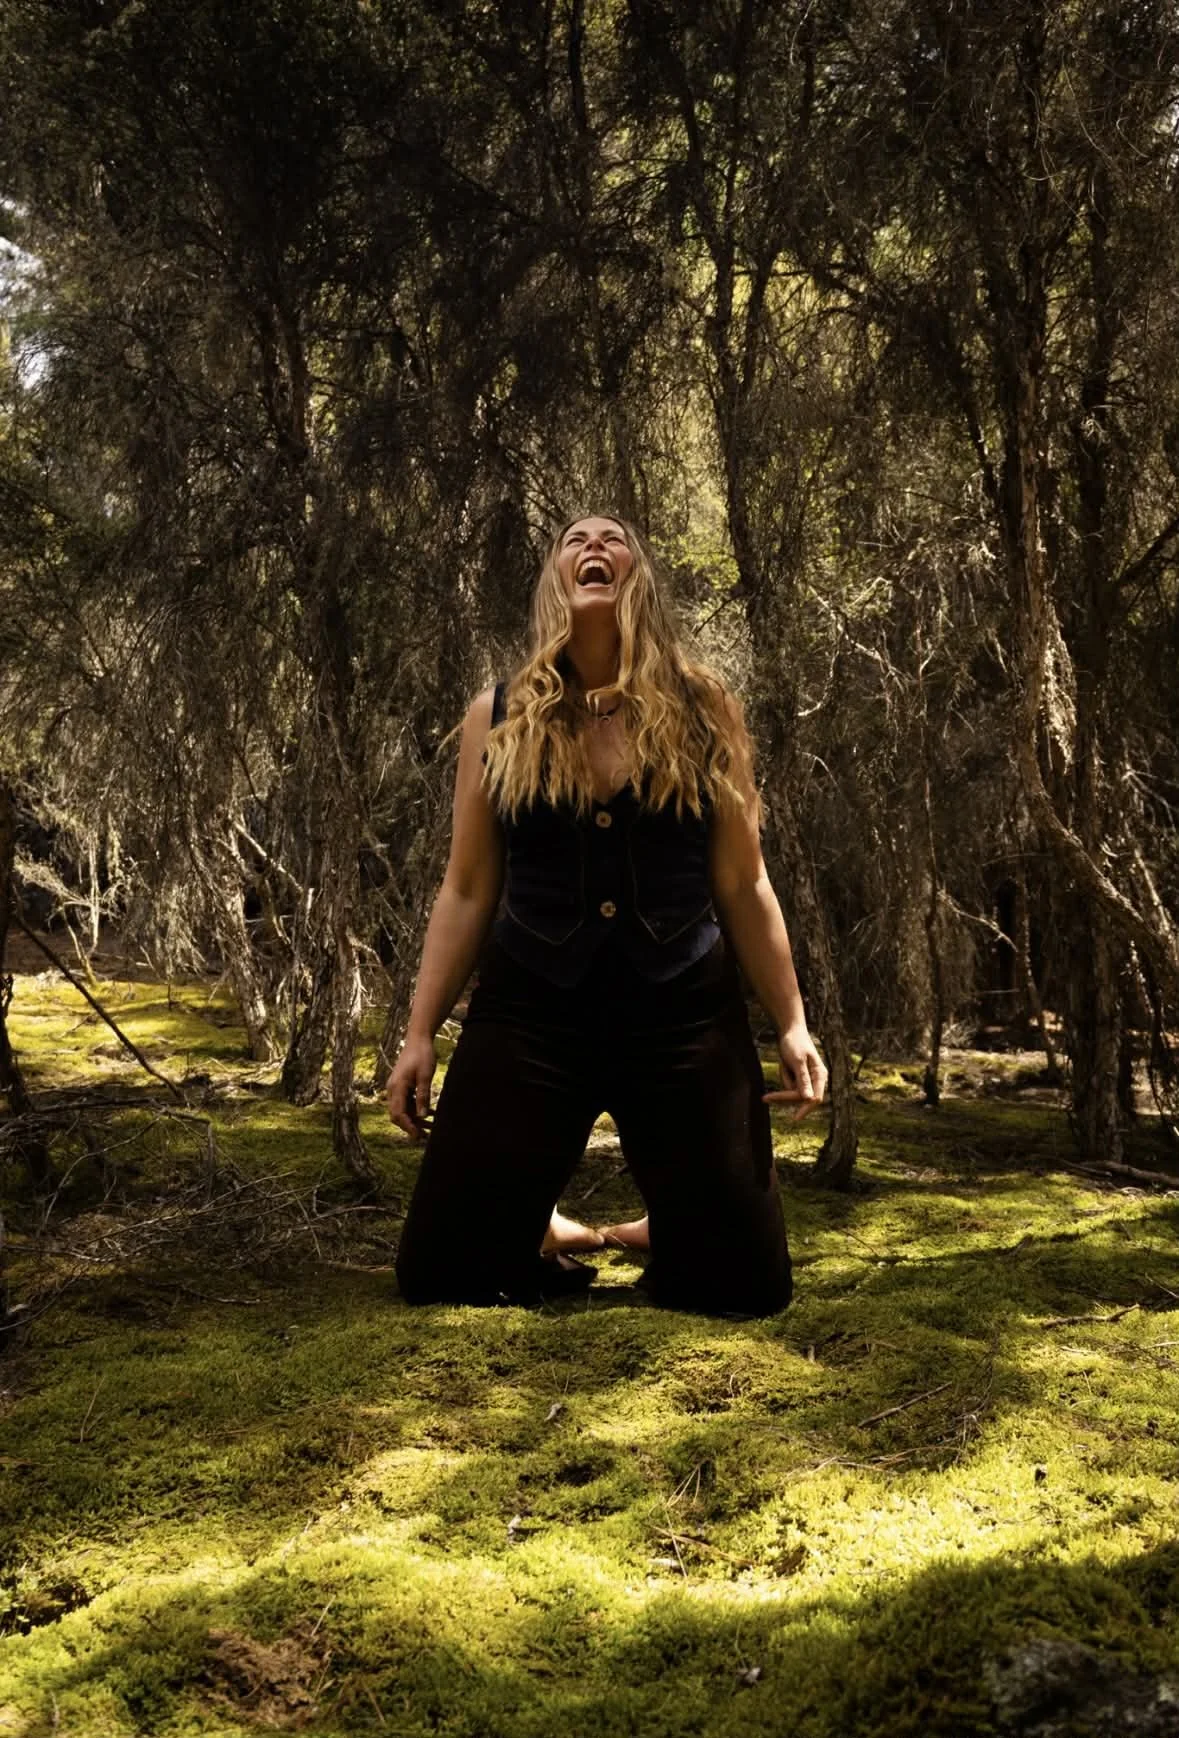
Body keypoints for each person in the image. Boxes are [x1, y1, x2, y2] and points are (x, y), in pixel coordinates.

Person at [388, 513, 826, 1313]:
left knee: (746, 1288)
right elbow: (467, 887)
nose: (593, 546)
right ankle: (546, 1229)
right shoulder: (498, 712)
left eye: (612, 537)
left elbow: (742, 881)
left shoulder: (704, 706)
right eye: (574, 540)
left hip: (681, 1011)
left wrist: (792, 1024)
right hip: (531, 1008)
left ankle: (659, 1226)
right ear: (554, 580)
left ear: (639, 576)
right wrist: (419, 1035)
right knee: (440, 1277)